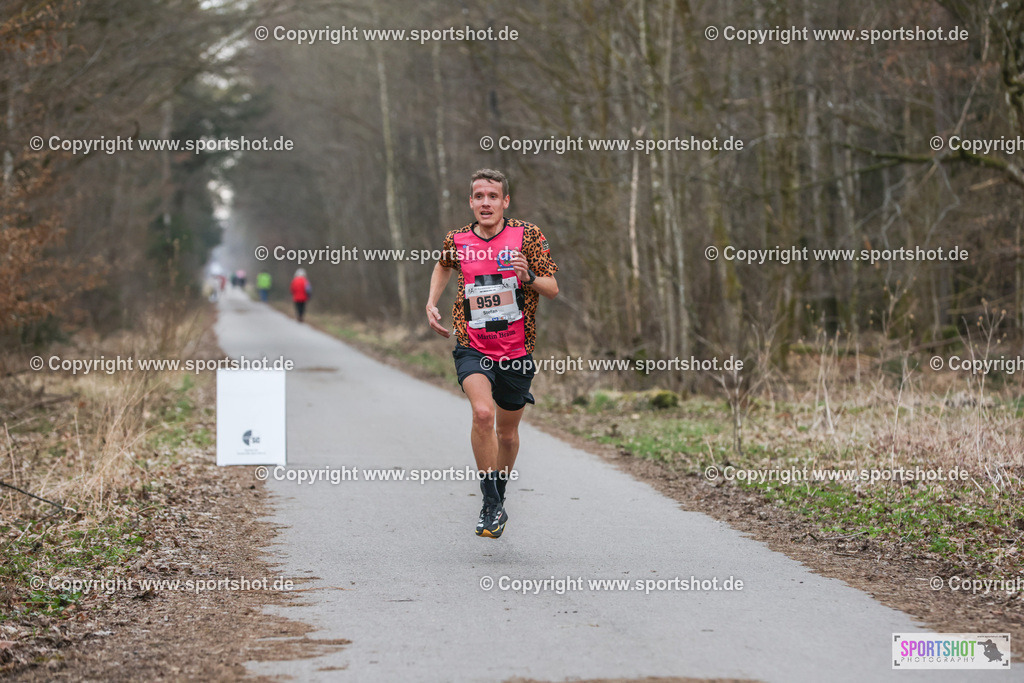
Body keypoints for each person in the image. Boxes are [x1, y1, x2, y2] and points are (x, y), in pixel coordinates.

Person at [426, 169, 558, 539]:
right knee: (483, 414)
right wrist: (431, 302)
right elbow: (443, 264)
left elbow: (553, 288)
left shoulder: (527, 235)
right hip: (473, 346)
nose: (486, 202)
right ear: (471, 202)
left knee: (508, 435)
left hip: (517, 350)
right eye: (479, 196)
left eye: (492, 196)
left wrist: (528, 276)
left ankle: (498, 494)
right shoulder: (458, 239)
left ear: (505, 202)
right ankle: (489, 502)